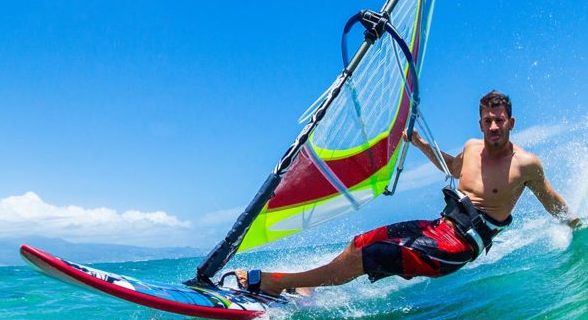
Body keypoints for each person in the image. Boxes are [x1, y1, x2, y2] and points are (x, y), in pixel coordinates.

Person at [236, 91, 583, 297]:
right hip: (438, 228)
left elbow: (549, 197)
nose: (494, 126)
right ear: (480, 123)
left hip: (456, 248)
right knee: (359, 243)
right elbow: (451, 168)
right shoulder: (472, 148)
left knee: (367, 258)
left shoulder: (525, 165)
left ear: (511, 122)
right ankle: (306, 286)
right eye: (488, 120)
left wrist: (575, 224)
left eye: (500, 120)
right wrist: (418, 143)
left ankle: (276, 283)